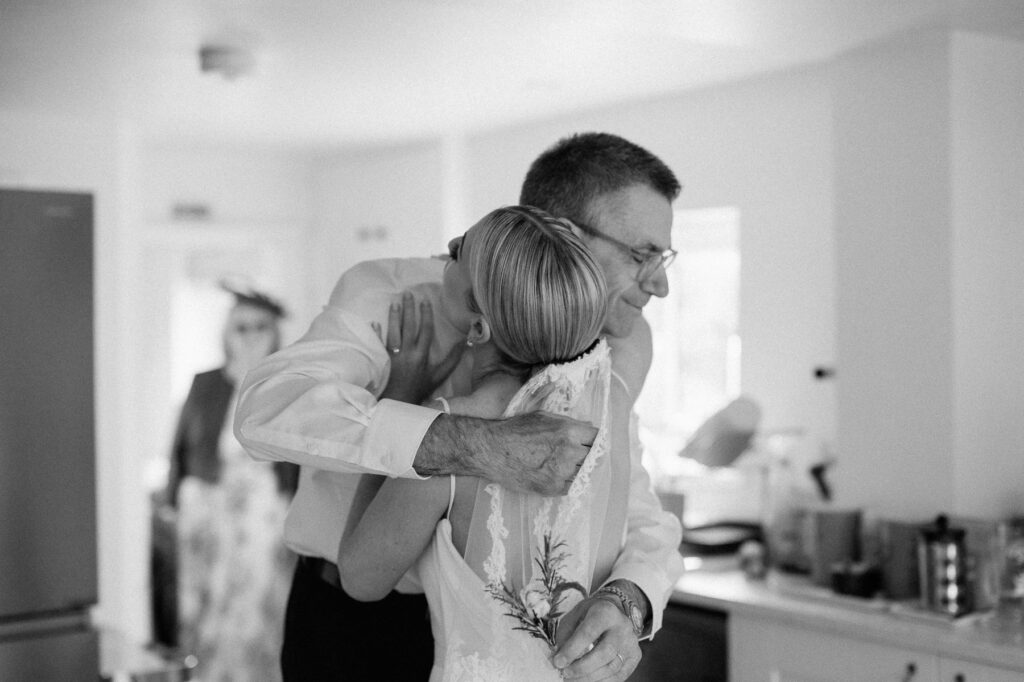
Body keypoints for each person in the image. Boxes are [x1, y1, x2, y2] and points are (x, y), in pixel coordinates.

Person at [234, 132, 684, 681]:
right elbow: (266, 410)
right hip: (353, 634)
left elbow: (641, 515)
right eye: (641, 255)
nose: (659, 283)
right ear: (561, 229)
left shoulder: (608, 364)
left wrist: (628, 599)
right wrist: (467, 442)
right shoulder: (395, 297)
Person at [338, 205, 620, 680]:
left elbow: (359, 578)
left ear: (478, 328)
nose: (447, 248)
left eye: (459, 254)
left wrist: (400, 401)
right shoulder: (611, 407)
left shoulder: (450, 435)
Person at [157, 284, 299, 682]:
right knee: (207, 605)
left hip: (265, 511)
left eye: (260, 326)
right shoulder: (205, 383)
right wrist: (171, 499)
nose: (250, 335)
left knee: (259, 602)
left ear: (274, 332)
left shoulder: (288, 384)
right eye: (241, 327)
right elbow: (180, 446)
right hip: (209, 506)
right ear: (226, 332)